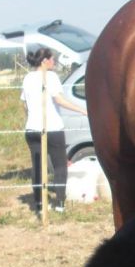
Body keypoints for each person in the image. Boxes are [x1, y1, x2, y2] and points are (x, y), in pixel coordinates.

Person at [21, 46, 85, 213]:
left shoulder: (27, 78)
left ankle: (39, 204)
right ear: (44, 61)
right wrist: (82, 110)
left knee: (37, 166)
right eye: (52, 59)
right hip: (53, 127)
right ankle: (60, 202)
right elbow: (59, 100)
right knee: (60, 165)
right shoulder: (51, 77)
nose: (54, 62)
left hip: (32, 129)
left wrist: (31, 117)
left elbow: (25, 104)